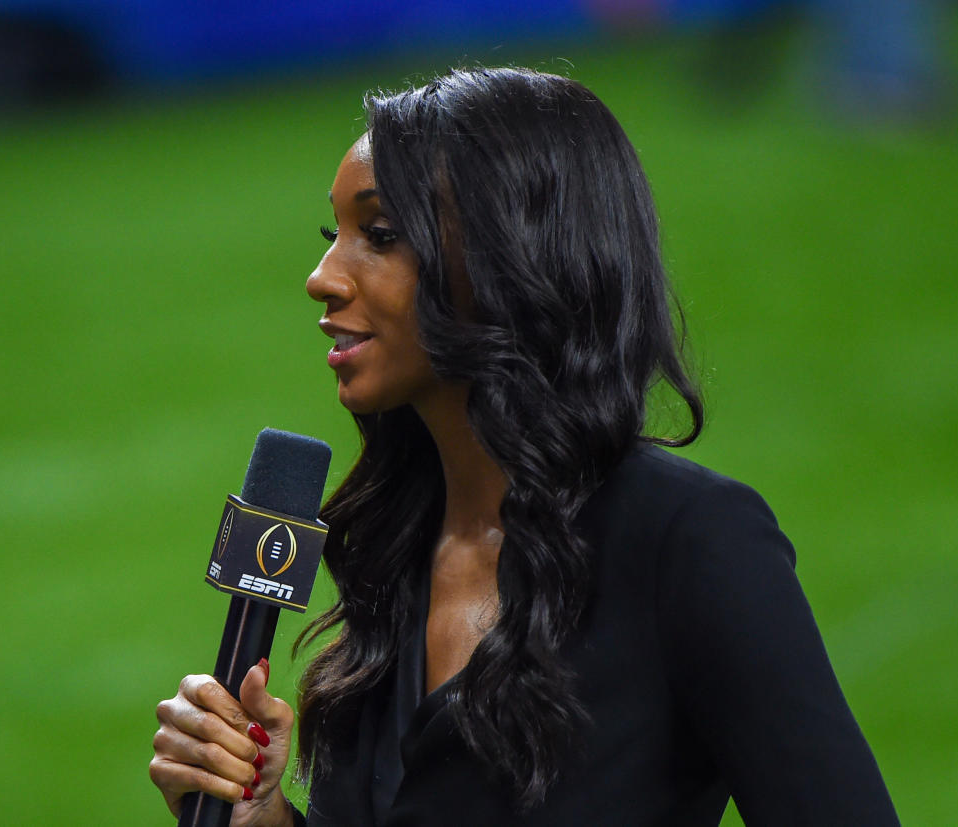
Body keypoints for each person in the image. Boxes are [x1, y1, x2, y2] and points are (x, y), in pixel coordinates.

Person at [150, 67, 899, 826]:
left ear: (510, 256)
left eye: (379, 236)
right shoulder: (391, 543)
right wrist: (265, 816)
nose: (321, 278)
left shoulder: (690, 540)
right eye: (332, 236)